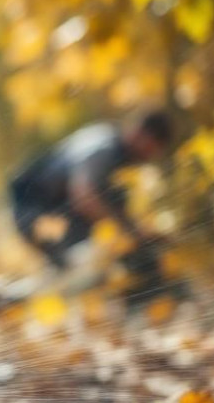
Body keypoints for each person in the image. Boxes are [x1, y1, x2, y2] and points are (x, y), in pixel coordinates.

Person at [9, 110, 174, 278]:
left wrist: (138, 231)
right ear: (141, 134)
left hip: (47, 211)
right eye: (150, 150)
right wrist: (132, 232)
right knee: (88, 266)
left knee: (116, 202)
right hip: (33, 211)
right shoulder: (105, 147)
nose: (148, 157)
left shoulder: (109, 137)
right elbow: (84, 196)